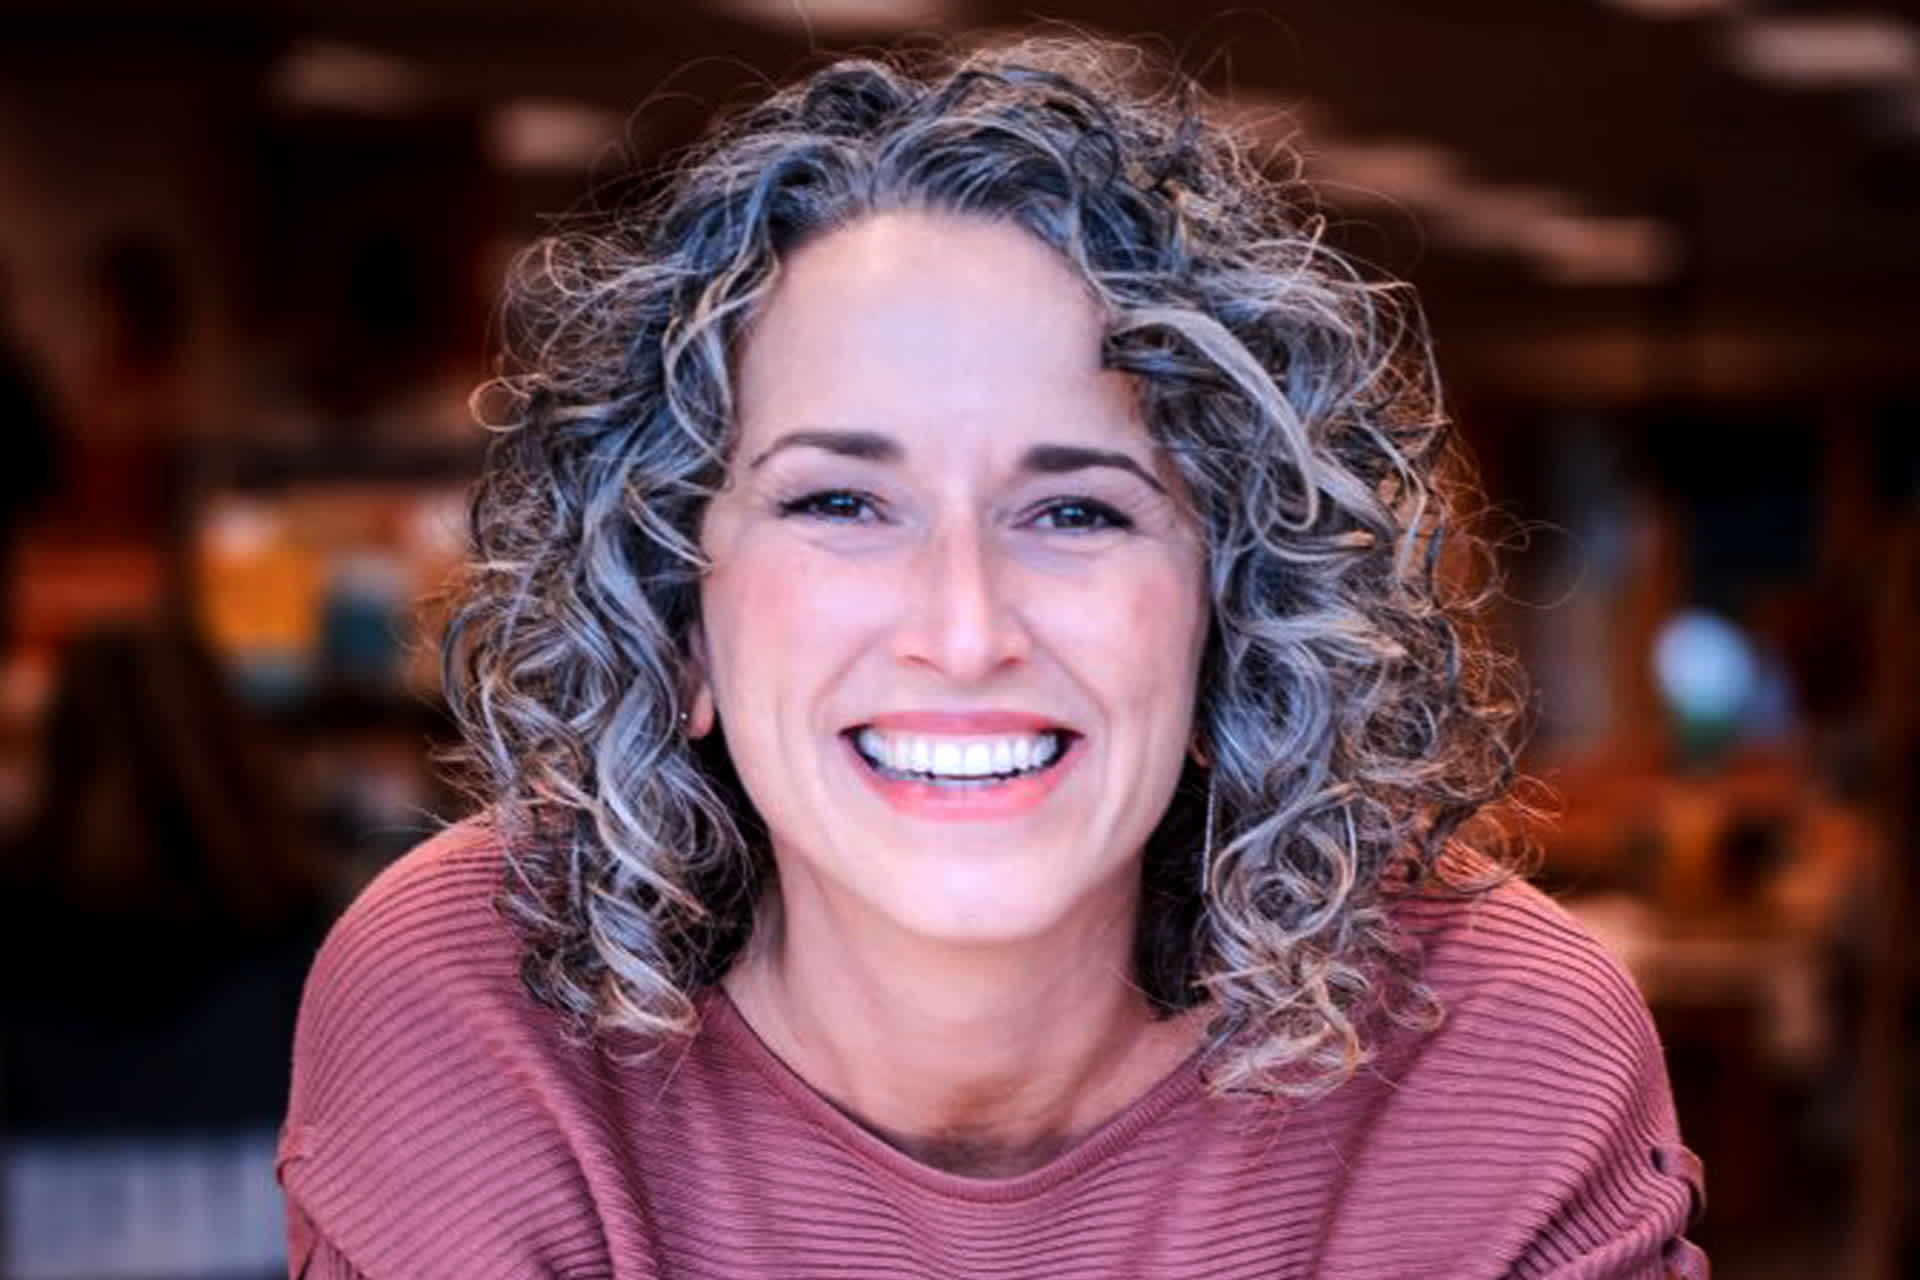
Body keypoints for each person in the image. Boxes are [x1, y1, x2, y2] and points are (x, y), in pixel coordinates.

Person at [277, 38, 1707, 1279]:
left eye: (1076, 509)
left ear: (1238, 617)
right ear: (675, 614)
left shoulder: (1489, 1051)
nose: (963, 629)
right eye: (839, 502)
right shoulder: (477, 998)